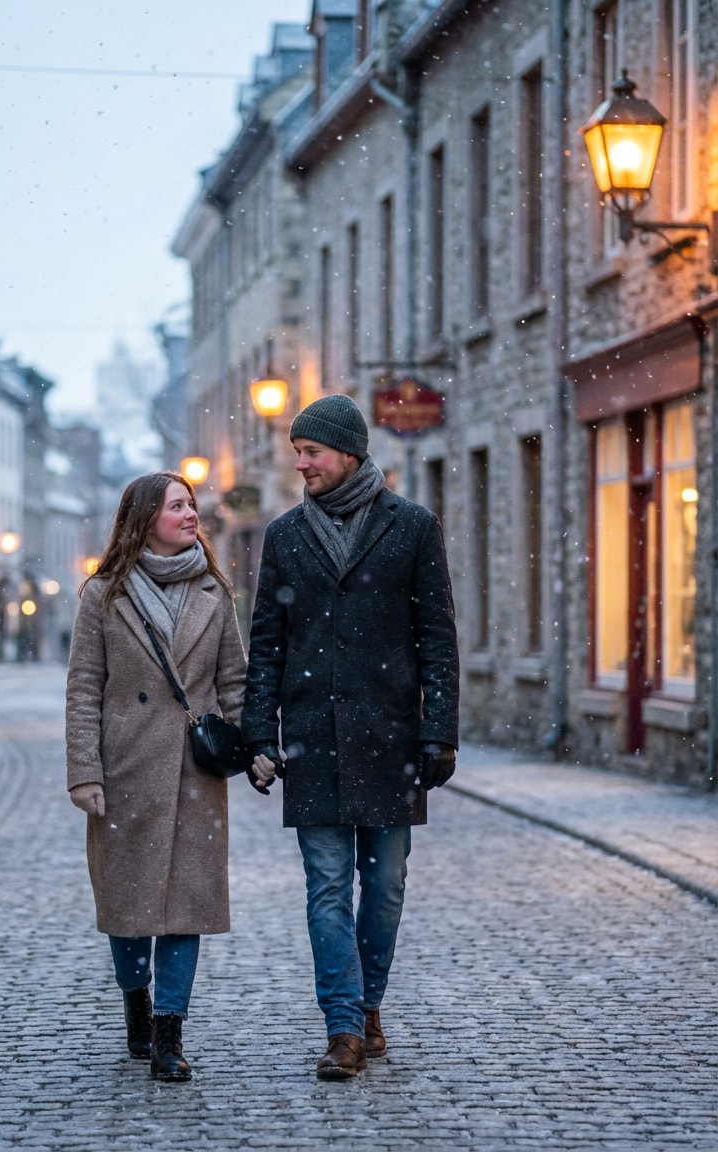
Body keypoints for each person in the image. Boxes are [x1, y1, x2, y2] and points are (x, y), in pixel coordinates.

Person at [242, 394, 460, 1080]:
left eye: (310, 452)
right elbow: (268, 646)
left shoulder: (413, 528)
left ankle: (369, 1005)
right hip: (312, 738)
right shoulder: (283, 536)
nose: (300, 463)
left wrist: (438, 731)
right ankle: (342, 1027)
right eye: (296, 452)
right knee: (327, 887)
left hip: (390, 739)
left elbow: (437, 640)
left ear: (348, 452)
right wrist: (258, 733)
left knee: (386, 887)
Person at [66, 470, 247, 1082]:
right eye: (177, 506)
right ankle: (135, 999)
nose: (191, 514)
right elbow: (84, 688)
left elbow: (234, 684)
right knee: (128, 904)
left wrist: (255, 749)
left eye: (192, 505)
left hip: (194, 774)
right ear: (145, 519)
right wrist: (85, 771)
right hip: (126, 769)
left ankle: (170, 1033)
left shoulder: (213, 592)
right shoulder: (104, 594)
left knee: (184, 907)